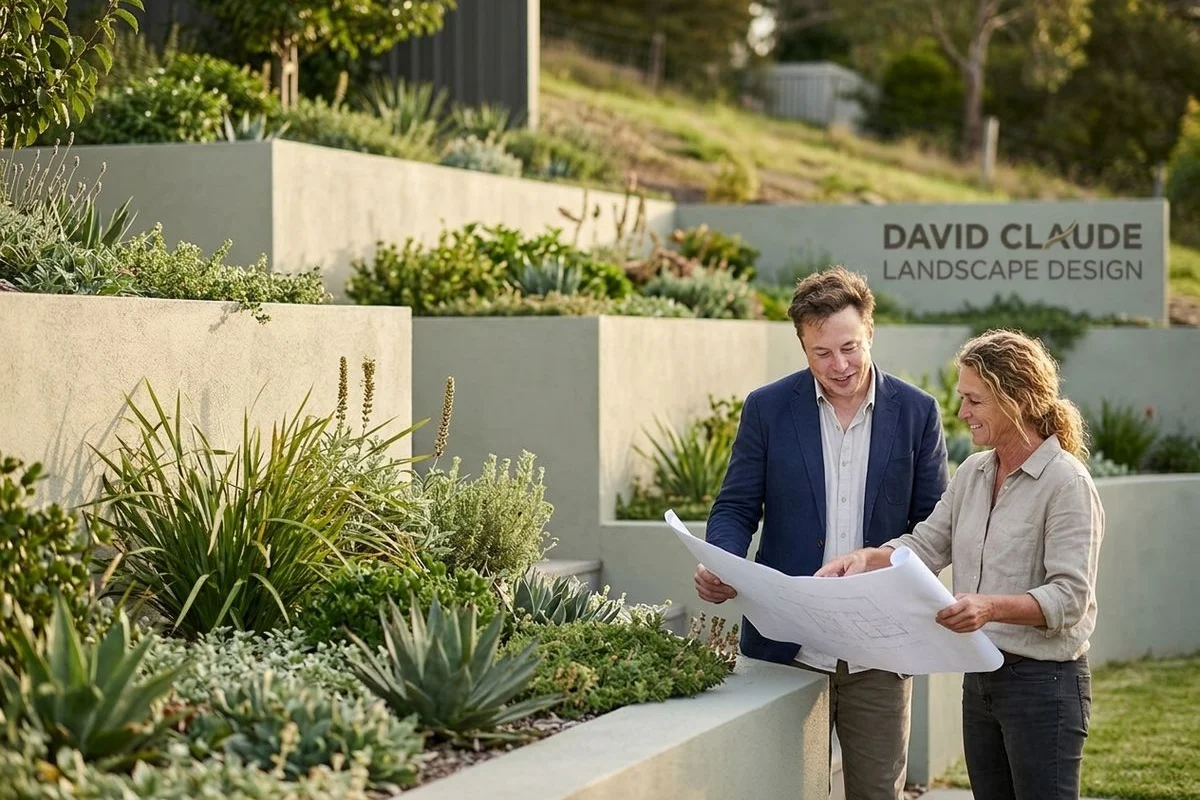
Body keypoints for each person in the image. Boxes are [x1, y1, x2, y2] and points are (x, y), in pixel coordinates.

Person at [817, 329, 1104, 800]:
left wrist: (988, 608)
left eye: (974, 400)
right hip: (982, 679)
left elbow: (1069, 599)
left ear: (1016, 399)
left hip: (1044, 687)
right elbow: (925, 545)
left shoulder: (1066, 483)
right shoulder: (973, 473)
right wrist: (866, 558)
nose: (962, 412)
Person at [696, 266, 949, 800]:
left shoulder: (918, 413)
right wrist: (721, 561)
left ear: (870, 332)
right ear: (802, 346)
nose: (839, 366)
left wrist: (880, 558)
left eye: (850, 348)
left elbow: (934, 530)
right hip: (784, 646)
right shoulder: (767, 408)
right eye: (822, 353)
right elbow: (736, 506)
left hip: (880, 650)